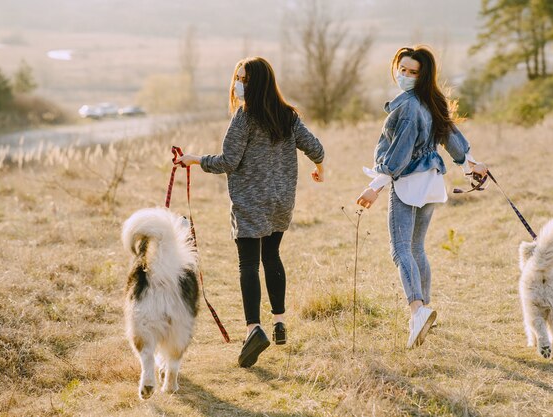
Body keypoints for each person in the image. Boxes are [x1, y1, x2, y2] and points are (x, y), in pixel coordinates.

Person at [176, 57, 325, 367]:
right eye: (236, 78)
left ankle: (253, 329)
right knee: (272, 257)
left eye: (243, 79)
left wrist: (194, 160)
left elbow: (227, 162)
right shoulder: (288, 116)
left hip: (249, 203)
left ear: (257, 83)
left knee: (248, 263)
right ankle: (280, 322)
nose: (238, 85)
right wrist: (319, 169)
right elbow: (316, 148)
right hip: (280, 202)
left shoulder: (243, 119)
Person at [356, 46, 487, 348]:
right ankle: (425, 309)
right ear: (395, 67)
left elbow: (398, 155)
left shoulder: (411, 107)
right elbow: (453, 140)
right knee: (417, 248)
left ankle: (417, 311)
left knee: (400, 249)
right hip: (431, 183)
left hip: (408, 184)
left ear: (423, 75)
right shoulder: (431, 102)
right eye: (402, 69)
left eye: (412, 72)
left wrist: (375, 186)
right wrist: (472, 165)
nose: (405, 75)